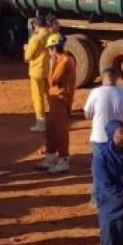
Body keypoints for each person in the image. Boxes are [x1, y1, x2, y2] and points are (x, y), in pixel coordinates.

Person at [83, 67, 123, 207]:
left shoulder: (95, 92)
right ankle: (118, 196)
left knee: (99, 169)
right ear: (116, 78)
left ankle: (97, 198)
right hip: (117, 138)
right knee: (118, 166)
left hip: (99, 137)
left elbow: (87, 114)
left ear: (102, 78)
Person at [37, 33, 75, 174]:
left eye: (49, 49)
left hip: (61, 99)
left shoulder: (64, 61)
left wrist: (52, 63)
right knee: (52, 129)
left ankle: (63, 160)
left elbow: (54, 80)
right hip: (54, 99)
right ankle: (50, 157)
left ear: (53, 48)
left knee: (60, 131)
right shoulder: (62, 59)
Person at [23, 18, 50, 134]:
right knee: (50, 94)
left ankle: (41, 123)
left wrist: (26, 48)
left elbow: (28, 56)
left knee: (37, 97)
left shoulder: (36, 38)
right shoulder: (51, 35)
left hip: (37, 71)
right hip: (49, 69)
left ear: (36, 26)